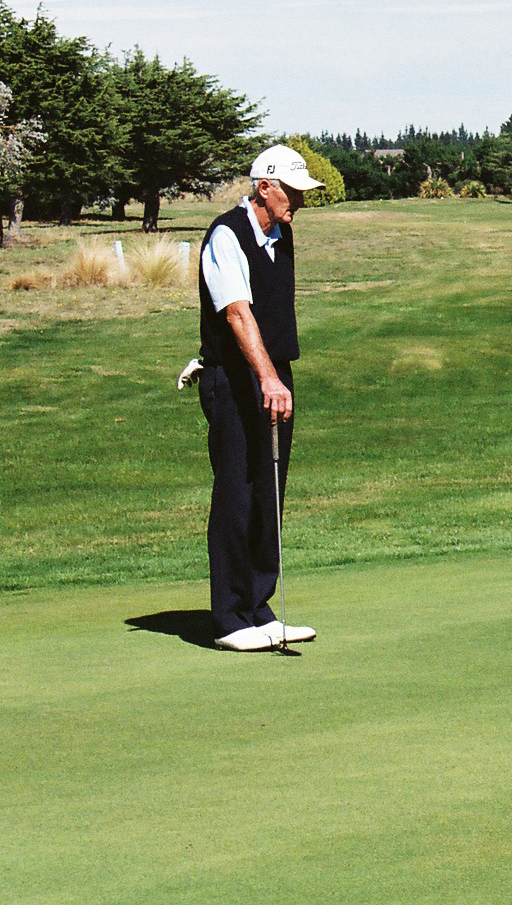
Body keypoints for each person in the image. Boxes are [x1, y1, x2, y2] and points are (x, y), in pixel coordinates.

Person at [196, 144, 323, 651]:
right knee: (237, 491)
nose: (298, 202)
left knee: (269, 491)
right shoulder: (226, 235)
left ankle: (259, 607)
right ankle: (230, 618)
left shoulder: (281, 232)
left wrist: (277, 376)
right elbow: (236, 314)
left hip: (274, 375)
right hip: (234, 378)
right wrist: (268, 378)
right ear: (264, 187)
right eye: (291, 192)